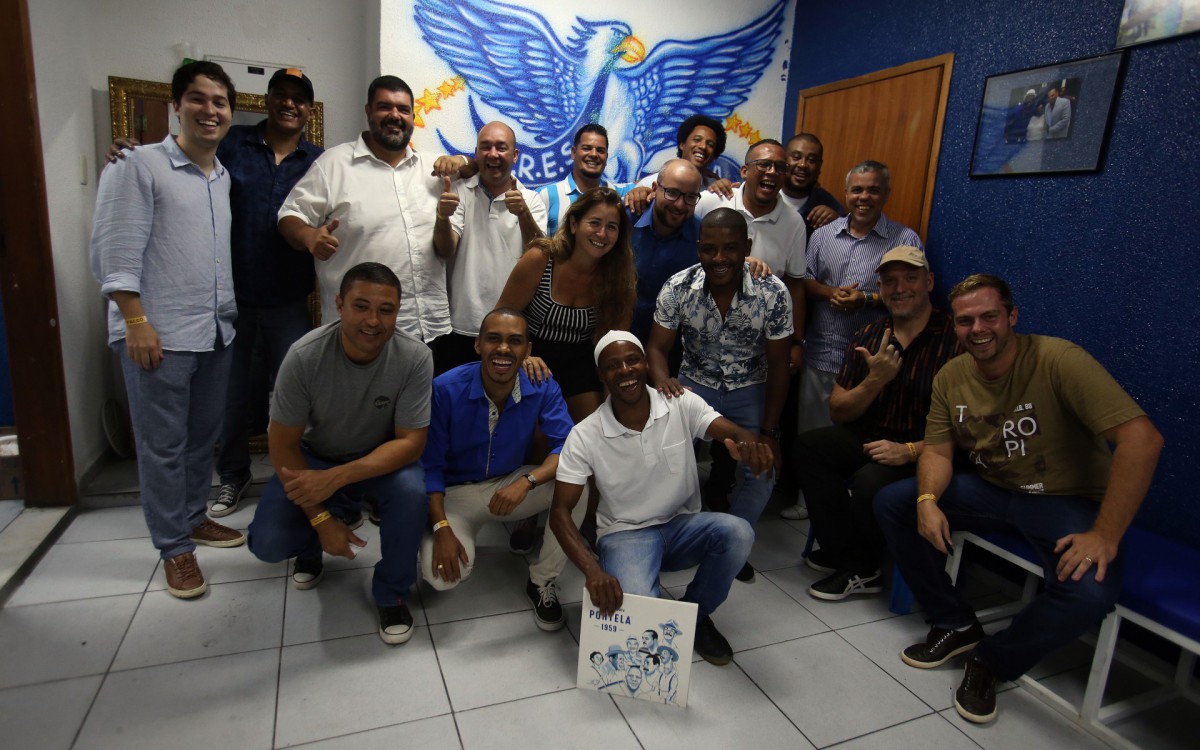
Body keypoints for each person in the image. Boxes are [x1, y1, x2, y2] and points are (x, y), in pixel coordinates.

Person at [873, 274, 1163, 724]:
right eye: (966, 320)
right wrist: (928, 498)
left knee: (1089, 594)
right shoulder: (953, 375)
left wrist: (1105, 534)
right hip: (992, 489)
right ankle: (954, 622)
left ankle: (991, 660)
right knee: (895, 501)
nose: (978, 328)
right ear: (956, 327)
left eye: (989, 316)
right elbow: (938, 449)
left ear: (1012, 316)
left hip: (1065, 499)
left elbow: (1142, 441)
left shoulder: (1058, 360)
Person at [104, 68, 325, 518]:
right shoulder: (231, 144)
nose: (289, 104)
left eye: (298, 99)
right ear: (265, 100)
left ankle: (292, 477)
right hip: (229, 303)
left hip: (288, 300)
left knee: (292, 393)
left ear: (308, 109)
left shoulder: (320, 161)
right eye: (280, 95)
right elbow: (182, 155)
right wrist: (132, 150)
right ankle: (232, 476)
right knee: (230, 399)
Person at [89, 61, 245, 599]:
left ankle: (193, 517)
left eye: (220, 101)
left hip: (214, 331)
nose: (210, 110)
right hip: (157, 333)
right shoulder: (137, 165)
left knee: (203, 439)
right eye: (198, 99)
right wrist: (135, 321)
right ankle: (174, 549)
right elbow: (113, 251)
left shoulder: (221, 175)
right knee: (162, 446)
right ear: (176, 105)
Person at [549, 332, 774, 665]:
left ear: (645, 363)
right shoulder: (585, 434)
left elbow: (730, 431)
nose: (625, 370)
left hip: (682, 527)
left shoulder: (680, 402)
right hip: (626, 537)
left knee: (738, 531)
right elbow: (559, 512)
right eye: (612, 366)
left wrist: (747, 444)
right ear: (601, 375)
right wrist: (593, 571)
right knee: (640, 624)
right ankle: (654, 605)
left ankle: (694, 616)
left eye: (632, 360)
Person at [246, 263, 432, 645]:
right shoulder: (304, 356)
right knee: (266, 541)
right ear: (339, 305)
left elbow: (411, 443)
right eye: (361, 307)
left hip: (378, 458)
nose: (373, 321)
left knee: (412, 491)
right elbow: (282, 444)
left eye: (386, 310)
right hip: (315, 457)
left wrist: (340, 478)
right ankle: (311, 547)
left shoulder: (414, 357)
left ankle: (392, 592)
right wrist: (320, 520)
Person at [797, 246, 959, 598]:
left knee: (872, 481)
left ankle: (862, 569)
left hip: (928, 449)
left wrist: (909, 451)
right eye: (889, 281)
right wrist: (875, 380)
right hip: (870, 436)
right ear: (880, 288)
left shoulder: (954, 339)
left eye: (910, 279)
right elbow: (838, 410)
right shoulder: (869, 335)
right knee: (810, 447)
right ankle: (848, 553)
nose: (899, 288)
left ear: (929, 282)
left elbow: (970, 426)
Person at [418, 308, 585, 631]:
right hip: (455, 496)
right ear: (478, 344)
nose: (504, 349)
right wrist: (440, 527)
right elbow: (431, 467)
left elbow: (568, 447)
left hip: (509, 485)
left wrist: (528, 481)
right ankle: (430, 534)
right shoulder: (444, 390)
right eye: (493, 339)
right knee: (441, 578)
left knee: (579, 482)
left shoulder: (542, 385)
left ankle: (541, 581)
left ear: (528, 350)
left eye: (515, 341)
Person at [648, 209, 793, 582]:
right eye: (709, 248)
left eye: (730, 248)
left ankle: (730, 541)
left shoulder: (773, 293)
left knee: (762, 468)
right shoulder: (678, 287)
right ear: (699, 248)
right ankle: (670, 539)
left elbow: (779, 365)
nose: (719, 258)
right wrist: (663, 382)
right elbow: (657, 349)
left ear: (746, 247)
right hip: (694, 387)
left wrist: (770, 431)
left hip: (751, 389)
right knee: (668, 465)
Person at [782, 160, 923, 520]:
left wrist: (868, 299)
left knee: (856, 439)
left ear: (885, 194)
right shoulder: (824, 234)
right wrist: (831, 293)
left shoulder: (904, 239)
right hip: (824, 351)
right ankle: (807, 503)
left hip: (872, 362)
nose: (864, 197)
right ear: (845, 194)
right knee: (811, 436)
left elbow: (911, 292)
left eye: (873, 189)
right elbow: (803, 281)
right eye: (857, 190)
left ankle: (848, 509)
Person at [278, 75, 464, 343]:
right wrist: (309, 237)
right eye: (384, 107)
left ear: (412, 116)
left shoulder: (431, 166)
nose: (394, 115)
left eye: (403, 109)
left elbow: (478, 164)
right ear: (369, 112)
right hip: (360, 331)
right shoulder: (334, 164)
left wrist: (458, 159)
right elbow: (289, 216)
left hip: (427, 328)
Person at [497, 186, 636, 422]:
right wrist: (523, 357)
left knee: (596, 428)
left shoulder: (618, 277)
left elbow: (616, 343)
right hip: (531, 359)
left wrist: (614, 400)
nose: (602, 233)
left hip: (580, 365)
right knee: (538, 439)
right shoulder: (540, 258)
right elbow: (500, 320)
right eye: (594, 223)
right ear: (574, 224)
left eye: (611, 227)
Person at [431, 122, 547, 373]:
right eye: (485, 147)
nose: (493, 154)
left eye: (501, 148)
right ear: (476, 154)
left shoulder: (531, 200)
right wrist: (441, 217)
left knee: (504, 406)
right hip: (459, 327)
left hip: (511, 331)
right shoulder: (459, 191)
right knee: (457, 406)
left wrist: (523, 214)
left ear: (514, 155)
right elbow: (446, 249)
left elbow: (539, 256)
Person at [538, 124, 633, 236]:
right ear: (574, 152)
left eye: (600, 151)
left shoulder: (621, 194)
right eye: (587, 148)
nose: (594, 154)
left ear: (606, 158)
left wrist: (641, 189)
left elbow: (655, 183)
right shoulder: (545, 195)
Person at [633, 114, 734, 194]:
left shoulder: (715, 189)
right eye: (697, 139)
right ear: (682, 144)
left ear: (714, 155)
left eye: (710, 144)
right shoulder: (650, 184)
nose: (703, 146)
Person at [778, 133, 844, 237]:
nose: (803, 165)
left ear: (819, 166)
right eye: (796, 157)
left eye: (811, 160)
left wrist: (836, 223)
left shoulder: (830, 205)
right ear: (784, 160)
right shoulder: (766, 194)